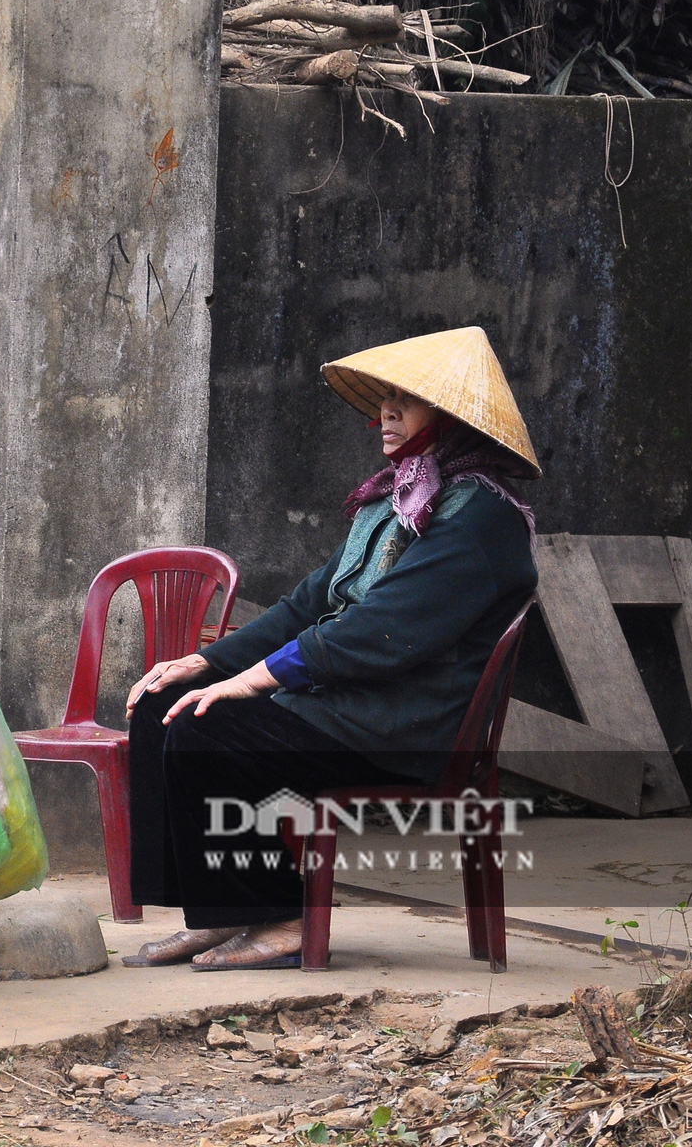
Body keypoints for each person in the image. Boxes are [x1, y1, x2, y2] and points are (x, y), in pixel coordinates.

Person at [121, 327, 540, 970]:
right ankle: (218, 912)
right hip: (345, 703)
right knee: (162, 701)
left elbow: (379, 632)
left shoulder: (482, 517)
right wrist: (208, 662)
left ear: (453, 419)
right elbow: (310, 600)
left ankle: (285, 918)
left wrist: (255, 680)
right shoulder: (392, 496)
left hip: (401, 725)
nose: (387, 414)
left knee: (214, 725)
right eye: (386, 400)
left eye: (409, 401)